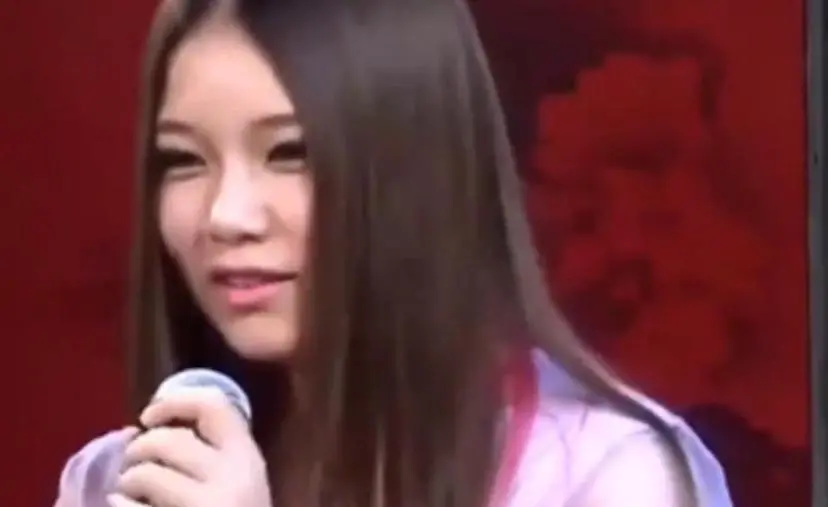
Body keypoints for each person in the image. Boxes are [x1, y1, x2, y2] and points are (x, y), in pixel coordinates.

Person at [53, 0, 733, 506]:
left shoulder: (606, 477)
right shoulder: (120, 482)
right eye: (183, 159)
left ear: (419, 169)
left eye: (290, 152)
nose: (225, 217)